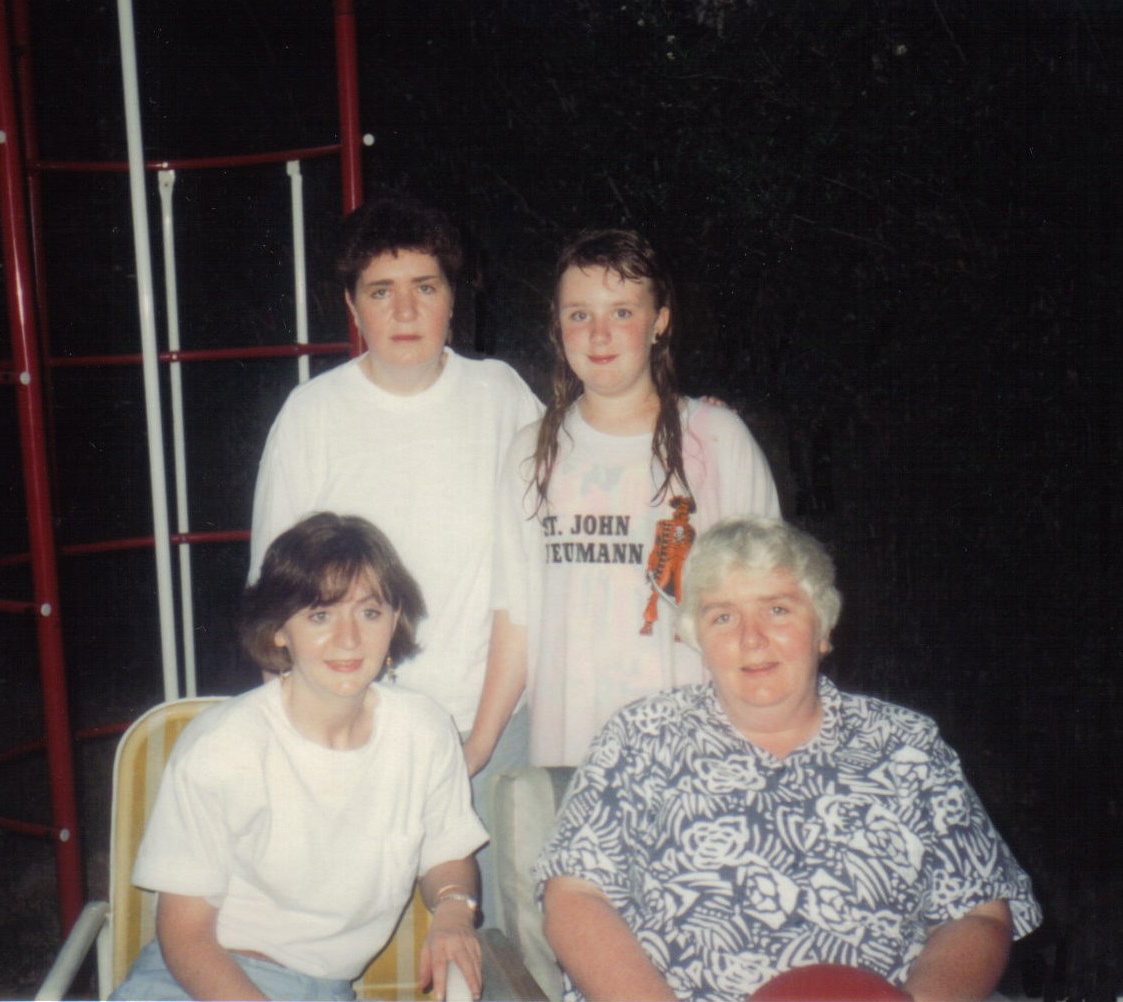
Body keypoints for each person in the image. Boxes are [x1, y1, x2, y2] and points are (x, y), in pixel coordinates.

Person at [535, 517, 1042, 1002]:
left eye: (777, 610)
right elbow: (575, 897)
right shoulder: (640, 738)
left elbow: (979, 912)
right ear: (697, 641)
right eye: (723, 616)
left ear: (822, 629)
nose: (751, 638)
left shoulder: (908, 746)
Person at [248, 192, 541, 923]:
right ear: (353, 305)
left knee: (494, 940)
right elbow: (276, 609)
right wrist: (313, 750)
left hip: (489, 727)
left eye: (426, 287)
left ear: (453, 299)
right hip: (351, 730)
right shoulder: (311, 415)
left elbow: (537, 575)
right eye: (381, 291)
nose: (405, 311)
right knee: (339, 935)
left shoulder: (502, 396)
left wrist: (478, 746)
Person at [112, 513, 487, 1002]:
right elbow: (185, 936)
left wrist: (455, 911)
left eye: (370, 613)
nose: (349, 639)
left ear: (395, 619)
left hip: (325, 990)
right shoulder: (222, 746)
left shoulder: (424, 730)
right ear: (279, 630)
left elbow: (447, 852)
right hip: (203, 982)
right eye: (320, 615)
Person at [464, 229, 780, 773]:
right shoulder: (531, 453)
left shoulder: (717, 440)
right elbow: (517, 619)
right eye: (579, 315)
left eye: (623, 312)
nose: (599, 334)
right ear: (557, 325)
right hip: (570, 761)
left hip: (697, 758)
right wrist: (478, 747)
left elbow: (772, 609)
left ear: (660, 321)